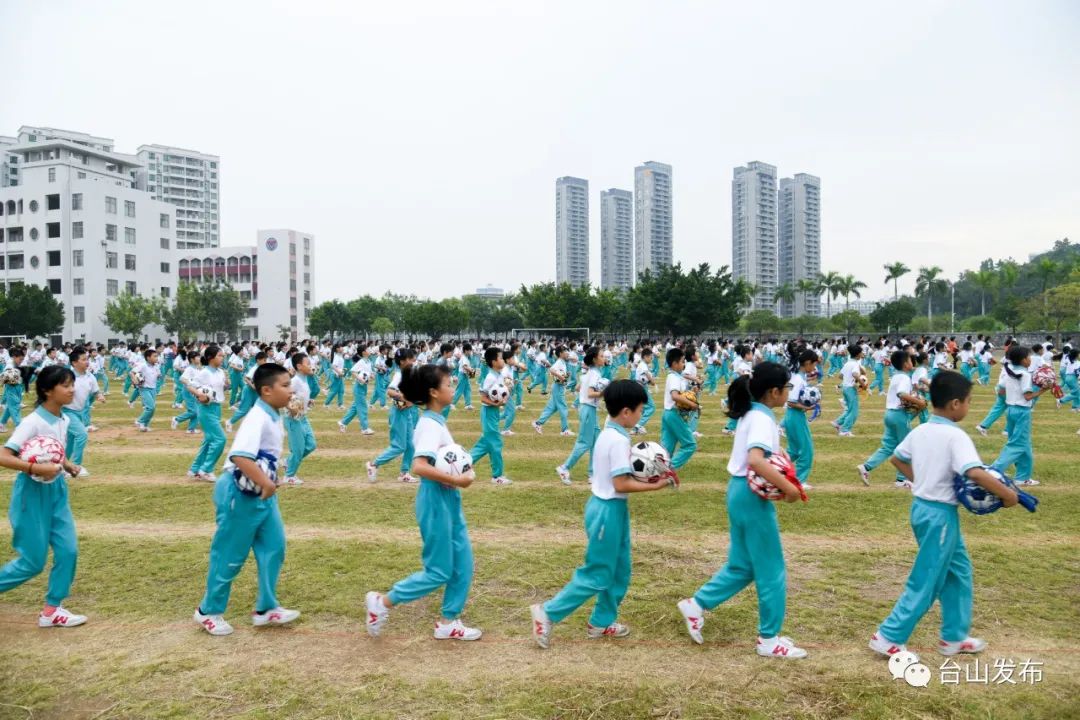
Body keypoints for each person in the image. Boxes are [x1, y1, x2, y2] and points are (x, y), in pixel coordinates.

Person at [869, 370, 1018, 659]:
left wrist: (922, 481)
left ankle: (954, 637)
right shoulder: (955, 436)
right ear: (954, 404)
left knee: (958, 572)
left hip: (923, 508)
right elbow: (974, 472)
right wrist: (1008, 494)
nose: (969, 406)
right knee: (928, 578)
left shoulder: (921, 430)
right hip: (939, 515)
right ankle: (888, 636)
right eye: (969, 401)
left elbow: (897, 458)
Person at [676, 362, 808, 659]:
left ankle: (696, 605)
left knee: (743, 566)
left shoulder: (755, 414)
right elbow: (756, 460)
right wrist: (788, 489)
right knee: (772, 569)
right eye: (787, 387)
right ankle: (769, 639)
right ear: (773, 392)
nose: (789, 392)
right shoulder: (761, 418)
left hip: (739, 491)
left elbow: (764, 455)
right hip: (749, 496)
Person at [531, 380, 677, 648]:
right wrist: (655, 485)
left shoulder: (612, 433)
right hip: (606, 511)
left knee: (620, 570)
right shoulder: (617, 440)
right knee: (597, 573)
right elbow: (620, 483)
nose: (642, 414)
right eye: (640, 410)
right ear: (626, 412)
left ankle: (601, 621)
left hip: (614, 508)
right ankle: (547, 613)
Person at [365, 363, 483, 641]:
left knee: (463, 563)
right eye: (448, 385)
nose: (453, 388)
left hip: (448, 498)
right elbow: (419, 466)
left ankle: (448, 622)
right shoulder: (429, 425)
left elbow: (448, 460)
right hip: (435, 501)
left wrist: (464, 471)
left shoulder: (437, 420)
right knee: (439, 571)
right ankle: (381, 603)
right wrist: (458, 480)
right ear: (434, 392)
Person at [194, 362, 300, 636]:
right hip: (238, 493)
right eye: (285, 385)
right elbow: (240, 456)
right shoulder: (257, 417)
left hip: (261, 493)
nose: (291, 390)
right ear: (266, 390)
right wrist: (266, 482)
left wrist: (271, 478)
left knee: (274, 547)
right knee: (230, 554)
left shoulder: (274, 413)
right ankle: (208, 611)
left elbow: (266, 455)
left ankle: (266, 608)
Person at [0, 366, 88, 628]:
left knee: (68, 551)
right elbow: (4, 456)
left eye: (72, 384)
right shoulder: (32, 422)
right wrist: (34, 469)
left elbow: (52, 452)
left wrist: (68, 465)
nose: (72, 390)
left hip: (57, 492)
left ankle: (52, 610)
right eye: (65, 385)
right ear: (48, 390)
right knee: (32, 562)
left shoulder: (64, 419)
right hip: (31, 494)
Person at [857, 350, 926, 487]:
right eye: (910, 360)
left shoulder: (896, 376)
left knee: (888, 447)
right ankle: (902, 480)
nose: (912, 362)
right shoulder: (904, 378)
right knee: (906, 447)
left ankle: (866, 467)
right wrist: (919, 402)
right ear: (905, 364)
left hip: (889, 414)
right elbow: (901, 394)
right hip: (899, 415)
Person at [992, 346, 1048, 486]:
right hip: (1022, 411)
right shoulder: (1025, 375)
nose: (1030, 360)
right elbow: (1028, 396)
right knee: (1017, 445)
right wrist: (1042, 390)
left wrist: (1011, 397)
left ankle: (1022, 477)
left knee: (1024, 444)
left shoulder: (1009, 371)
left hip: (1011, 410)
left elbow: (1000, 391)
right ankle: (993, 471)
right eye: (1028, 357)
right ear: (1023, 360)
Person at [366, 349, 418, 483]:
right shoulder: (399, 375)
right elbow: (390, 391)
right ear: (402, 362)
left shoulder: (408, 374)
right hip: (399, 413)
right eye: (410, 359)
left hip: (407, 413)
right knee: (399, 446)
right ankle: (373, 465)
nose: (413, 361)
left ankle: (404, 473)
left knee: (411, 445)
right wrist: (404, 397)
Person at [556, 347, 605, 485]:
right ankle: (564, 468)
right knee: (584, 442)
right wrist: (606, 392)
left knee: (595, 442)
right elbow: (590, 393)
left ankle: (592, 474)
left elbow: (579, 388)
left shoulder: (593, 372)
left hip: (590, 409)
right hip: (588, 409)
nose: (604, 358)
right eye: (601, 356)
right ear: (594, 359)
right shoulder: (594, 374)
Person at [469, 347, 512, 485]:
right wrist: (495, 404)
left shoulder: (498, 374)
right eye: (500, 358)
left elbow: (501, 392)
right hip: (488, 412)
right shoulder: (490, 377)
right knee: (496, 443)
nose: (503, 360)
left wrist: (506, 394)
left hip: (493, 412)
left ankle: (464, 463)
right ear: (493, 361)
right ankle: (497, 476)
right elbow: (482, 397)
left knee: (485, 444)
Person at [188, 346, 228, 482]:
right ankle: (206, 470)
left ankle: (195, 469)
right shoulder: (204, 372)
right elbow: (190, 386)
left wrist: (226, 384)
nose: (222, 358)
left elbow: (221, 388)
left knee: (209, 440)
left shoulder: (220, 372)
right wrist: (200, 395)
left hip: (217, 408)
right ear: (210, 358)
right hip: (206, 409)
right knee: (220, 439)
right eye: (220, 356)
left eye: (223, 356)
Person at [783, 349, 818, 488]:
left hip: (791, 416)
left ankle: (773, 468)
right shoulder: (798, 379)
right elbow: (791, 401)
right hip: (795, 416)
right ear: (808, 363)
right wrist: (807, 407)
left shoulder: (798, 377)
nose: (814, 368)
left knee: (794, 450)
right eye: (814, 364)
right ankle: (799, 481)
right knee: (806, 450)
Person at [660, 348, 700, 470]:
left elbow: (681, 394)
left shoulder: (676, 376)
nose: (684, 364)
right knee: (690, 445)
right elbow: (675, 396)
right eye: (682, 361)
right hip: (674, 414)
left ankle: (659, 469)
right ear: (674, 363)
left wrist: (692, 392)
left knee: (666, 448)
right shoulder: (674, 377)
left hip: (668, 414)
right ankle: (670, 469)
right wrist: (692, 404)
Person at [63, 348, 99, 477]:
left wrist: (99, 396)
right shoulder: (67, 376)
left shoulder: (90, 376)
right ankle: (76, 467)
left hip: (80, 412)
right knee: (82, 434)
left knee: (71, 440)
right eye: (83, 359)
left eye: (87, 359)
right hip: (66, 411)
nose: (87, 362)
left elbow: (95, 391)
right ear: (74, 363)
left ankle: (63, 466)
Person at [283, 353, 317, 486]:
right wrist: (290, 408)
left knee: (311, 445)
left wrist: (308, 402)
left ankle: (288, 462)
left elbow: (299, 397)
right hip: (293, 419)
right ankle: (289, 476)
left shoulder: (304, 380)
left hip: (303, 417)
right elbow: (284, 396)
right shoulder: (295, 381)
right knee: (298, 449)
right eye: (308, 364)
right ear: (299, 366)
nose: (310, 366)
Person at [533, 346, 573, 436]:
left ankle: (538, 423)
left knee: (551, 408)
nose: (567, 353)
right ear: (560, 354)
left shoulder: (562, 362)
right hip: (558, 387)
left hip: (558, 387)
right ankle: (565, 430)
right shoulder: (559, 362)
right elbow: (551, 370)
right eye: (565, 351)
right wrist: (560, 376)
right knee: (563, 408)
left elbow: (559, 373)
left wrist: (566, 375)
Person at [228, 351, 268, 432]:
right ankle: (229, 422)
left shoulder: (261, 368)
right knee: (244, 410)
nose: (265, 362)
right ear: (258, 360)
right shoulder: (255, 368)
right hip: (249, 391)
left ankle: (255, 426)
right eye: (264, 360)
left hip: (256, 392)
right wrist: (252, 386)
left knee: (259, 409)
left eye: (266, 360)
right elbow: (246, 378)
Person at [339, 345, 374, 435]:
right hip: (358, 387)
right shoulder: (361, 361)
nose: (369, 350)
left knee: (355, 408)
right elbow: (353, 371)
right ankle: (364, 428)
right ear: (363, 352)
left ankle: (343, 422)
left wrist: (371, 375)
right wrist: (360, 379)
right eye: (368, 349)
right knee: (363, 407)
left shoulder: (368, 361)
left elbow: (369, 372)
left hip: (364, 387)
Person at [172, 351, 203, 435]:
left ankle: (191, 429)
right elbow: (182, 379)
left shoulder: (197, 368)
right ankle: (177, 419)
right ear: (192, 359)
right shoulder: (189, 369)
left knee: (197, 410)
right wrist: (190, 384)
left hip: (195, 392)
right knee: (193, 411)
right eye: (197, 357)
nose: (199, 358)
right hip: (188, 392)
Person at [134, 348, 161, 432]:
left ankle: (144, 426)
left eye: (157, 356)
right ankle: (139, 421)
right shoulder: (143, 365)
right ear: (148, 358)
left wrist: (158, 375)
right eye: (154, 356)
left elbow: (158, 375)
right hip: (144, 388)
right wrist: (135, 380)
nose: (157, 358)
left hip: (153, 388)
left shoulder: (156, 366)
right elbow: (132, 372)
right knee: (150, 407)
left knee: (151, 409)